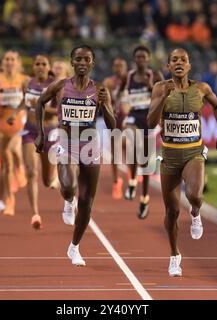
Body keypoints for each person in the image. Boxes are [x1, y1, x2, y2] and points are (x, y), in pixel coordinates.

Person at [147, 48, 217, 276]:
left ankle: (195, 213)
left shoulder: (201, 88)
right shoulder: (160, 88)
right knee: (171, 211)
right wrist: (163, 98)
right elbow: (151, 123)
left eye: (183, 60)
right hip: (170, 156)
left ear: (189, 65)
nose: (179, 63)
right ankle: (174, 256)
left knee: (195, 195)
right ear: (168, 66)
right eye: (174, 60)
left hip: (193, 153)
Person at [35, 45, 116, 266]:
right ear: (72, 62)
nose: (82, 63)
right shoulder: (61, 86)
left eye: (86, 59)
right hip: (66, 143)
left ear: (92, 63)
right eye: (78, 59)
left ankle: (74, 247)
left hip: (91, 146)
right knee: (70, 187)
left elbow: (112, 124)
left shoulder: (99, 89)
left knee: (88, 202)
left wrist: (104, 105)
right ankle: (68, 200)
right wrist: (41, 134)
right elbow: (40, 102)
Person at [8, 55, 57, 229]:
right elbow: (24, 102)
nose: (40, 66)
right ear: (33, 67)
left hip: (50, 132)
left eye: (44, 64)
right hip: (30, 131)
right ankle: (35, 214)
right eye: (37, 64)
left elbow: (60, 110)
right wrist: (15, 113)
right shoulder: (27, 83)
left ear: (48, 66)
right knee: (31, 172)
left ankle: (54, 176)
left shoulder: (55, 85)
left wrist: (41, 105)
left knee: (46, 180)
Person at [0, 50, 29, 216]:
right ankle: (9, 201)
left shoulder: (24, 80)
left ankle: (20, 167)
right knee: (6, 164)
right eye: (7, 59)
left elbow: (30, 100)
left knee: (13, 150)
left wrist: (17, 111)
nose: (9, 62)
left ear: (18, 62)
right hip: (1, 123)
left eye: (12, 59)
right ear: (3, 62)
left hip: (18, 121)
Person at [123, 45, 163, 219]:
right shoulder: (129, 76)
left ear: (148, 59)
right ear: (134, 59)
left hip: (149, 117)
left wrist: (150, 85)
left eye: (143, 57)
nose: (140, 60)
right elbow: (122, 94)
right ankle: (132, 181)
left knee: (146, 164)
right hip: (133, 115)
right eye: (137, 57)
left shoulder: (156, 75)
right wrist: (122, 102)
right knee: (129, 140)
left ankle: (144, 198)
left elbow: (164, 95)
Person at [103, 57, 128, 199]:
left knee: (129, 147)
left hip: (128, 118)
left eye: (121, 65)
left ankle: (132, 170)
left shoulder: (130, 81)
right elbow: (106, 101)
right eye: (116, 65)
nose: (118, 68)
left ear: (125, 67)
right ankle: (116, 181)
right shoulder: (109, 82)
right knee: (115, 152)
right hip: (115, 119)